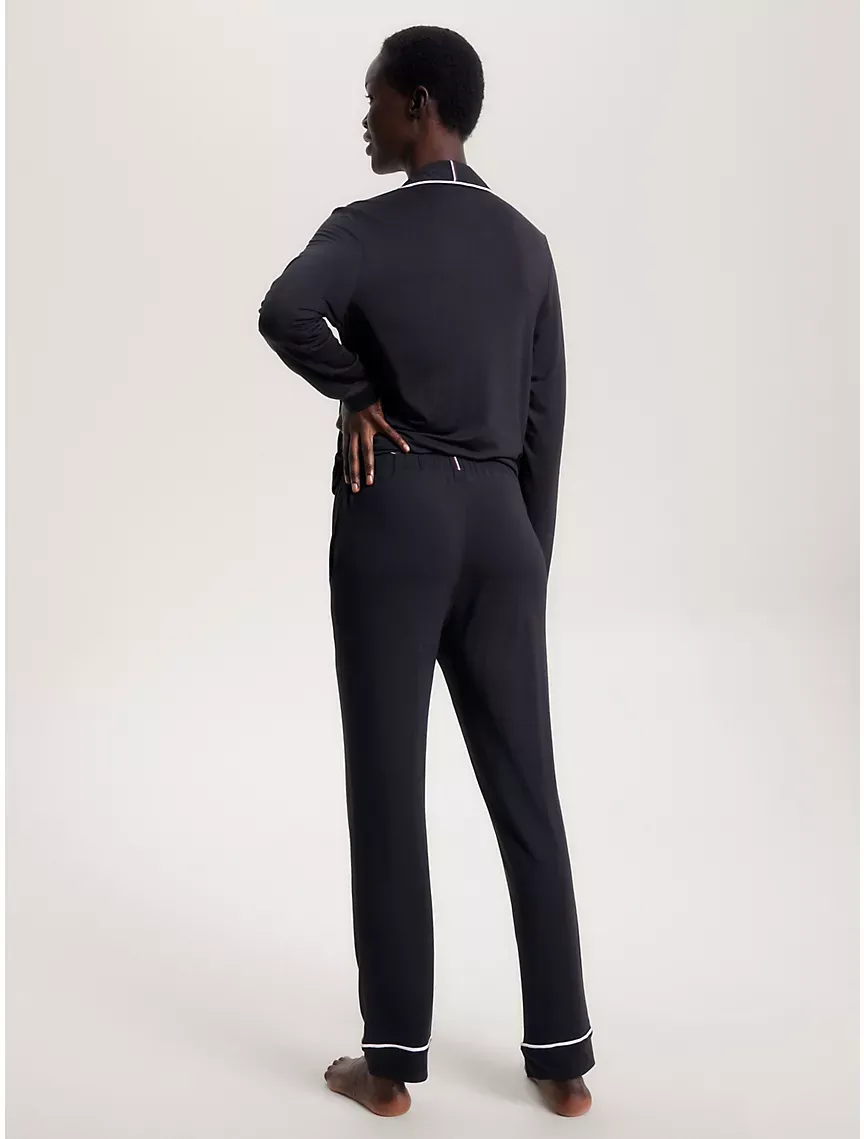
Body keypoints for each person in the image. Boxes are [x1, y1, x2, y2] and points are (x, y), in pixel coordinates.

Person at [257, 25, 595, 1119]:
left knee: (388, 787)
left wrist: (358, 393)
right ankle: (563, 1061)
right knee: (529, 787)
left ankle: (393, 1064)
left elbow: (282, 308)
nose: (364, 118)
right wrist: (527, 556)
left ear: (417, 104)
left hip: (395, 511)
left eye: (373, 98)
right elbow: (545, 417)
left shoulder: (363, 229)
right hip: (502, 523)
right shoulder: (528, 245)